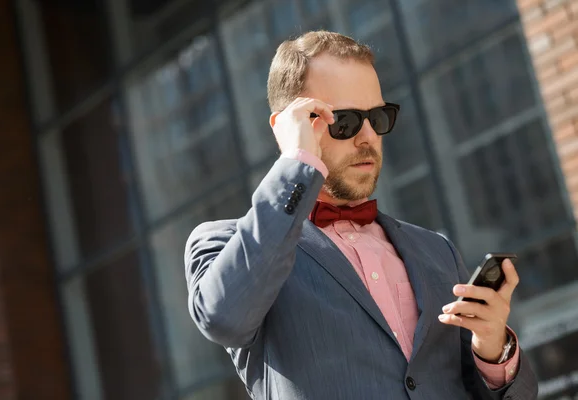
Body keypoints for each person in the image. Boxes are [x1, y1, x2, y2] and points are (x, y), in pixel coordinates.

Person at [184, 30, 538, 399]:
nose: (368, 136)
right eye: (345, 121)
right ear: (289, 127)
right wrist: (296, 163)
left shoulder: (437, 251)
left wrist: (494, 350)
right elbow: (223, 318)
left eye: (378, 117)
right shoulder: (228, 243)